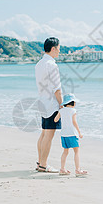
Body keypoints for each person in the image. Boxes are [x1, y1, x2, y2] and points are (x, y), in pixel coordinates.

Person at [35, 37, 62, 173]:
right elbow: (56, 88)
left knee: (44, 134)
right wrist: (62, 105)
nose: (59, 51)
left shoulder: (39, 64)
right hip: (51, 104)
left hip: (42, 101)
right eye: (58, 48)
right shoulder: (52, 65)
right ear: (53, 48)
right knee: (48, 136)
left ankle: (40, 162)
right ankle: (44, 165)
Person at [54, 93, 88, 177]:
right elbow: (74, 122)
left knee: (65, 151)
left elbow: (55, 120)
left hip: (64, 134)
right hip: (72, 133)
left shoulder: (61, 110)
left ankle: (62, 169)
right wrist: (79, 132)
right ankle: (77, 170)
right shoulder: (73, 111)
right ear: (72, 102)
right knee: (76, 151)